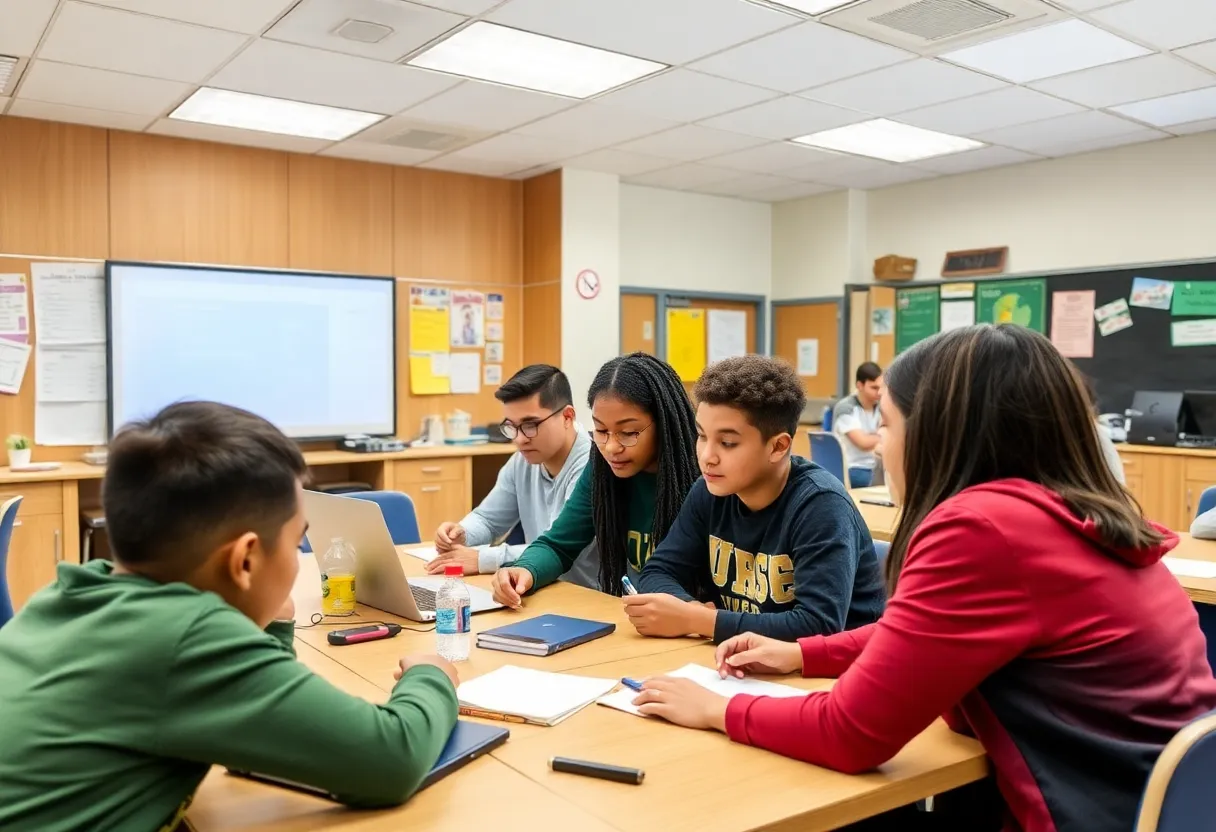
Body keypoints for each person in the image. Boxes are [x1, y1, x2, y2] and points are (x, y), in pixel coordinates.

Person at [629, 325, 1216, 832]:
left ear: (941, 431)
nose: (878, 446)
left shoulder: (982, 529)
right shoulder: (1072, 511)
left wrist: (715, 709)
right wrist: (803, 654)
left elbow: (850, 735)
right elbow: (926, 637)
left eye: (886, 425)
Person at [0, 402, 460, 831]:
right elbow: (391, 759)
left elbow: (261, 716)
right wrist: (430, 675)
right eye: (298, 540)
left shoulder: (73, 592)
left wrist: (271, 624)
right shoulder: (186, 639)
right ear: (244, 560)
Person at [629, 355, 884, 643]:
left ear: (778, 446)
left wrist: (700, 620)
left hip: (831, 675)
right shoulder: (709, 490)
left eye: (727, 443)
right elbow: (658, 571)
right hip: (743, 661)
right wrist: (689, 609)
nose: (706, 456)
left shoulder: (821, 505)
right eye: (701, 436)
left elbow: (818, 625)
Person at [491, 352, 699, 608]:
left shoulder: (702, 477)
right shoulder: (603, 471)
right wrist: (524, 570)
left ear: (665, 424)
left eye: (628, 432)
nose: (611, 447)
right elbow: (558, 544)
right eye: (601, 431)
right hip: (635, 621)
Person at [429, 364, 595, 584]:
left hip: (586, 597)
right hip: (538, 591)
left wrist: (482, 559)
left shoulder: (591, 467)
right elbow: (488, 520)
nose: (519, 439)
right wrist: (462, 533)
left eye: (530, 425)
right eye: (511, 427)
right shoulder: (524, 460)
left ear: (567, 416)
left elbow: (557, 548)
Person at [833, 362, 883, 488]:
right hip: (853, 469)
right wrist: (883, 435)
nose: (879, 392)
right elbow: (863, 443)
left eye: (881, 387)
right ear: (859, 385)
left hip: (875, 466)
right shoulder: (845, 408)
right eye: (874, 388)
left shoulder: (881, 406)